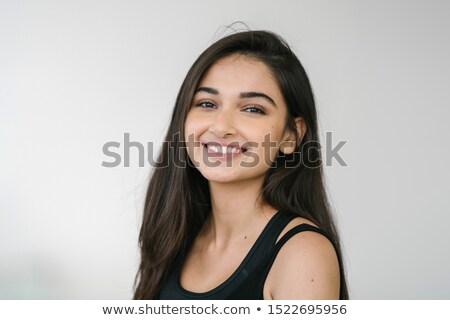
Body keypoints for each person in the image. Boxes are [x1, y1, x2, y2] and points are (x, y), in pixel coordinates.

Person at [133, 29, 349, 300]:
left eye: (252, 109)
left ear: (291, 135)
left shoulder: (302, 253)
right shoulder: (175, 236)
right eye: (207, 103)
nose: (221, 127)